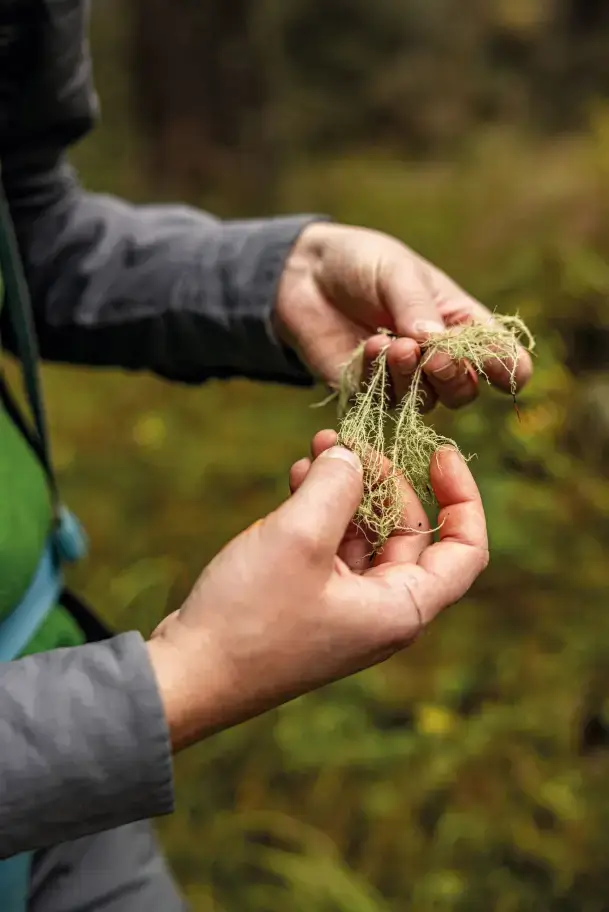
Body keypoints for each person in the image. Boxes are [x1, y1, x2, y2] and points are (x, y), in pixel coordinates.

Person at [0, 3, 532, 910]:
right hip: (81, 734)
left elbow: (23, 223)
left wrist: (282, 273)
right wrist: (189, 675)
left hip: (57, 710)